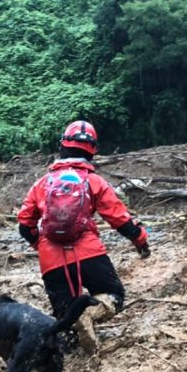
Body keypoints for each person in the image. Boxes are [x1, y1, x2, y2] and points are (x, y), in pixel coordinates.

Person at [17, 120, 150, 351]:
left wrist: (41, 246)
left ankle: (74, 337)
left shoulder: (42, 184)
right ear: (93, 151)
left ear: (63, 146)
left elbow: (24, 225)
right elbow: (120, 219)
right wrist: (141, 241)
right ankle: (88, 315)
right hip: (89, 254)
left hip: (51, 261)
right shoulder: (94, 182)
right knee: (113, 295)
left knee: (65, 317)